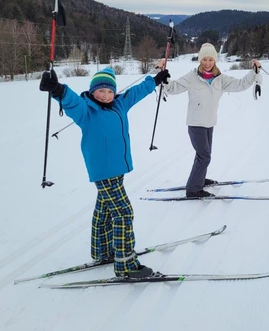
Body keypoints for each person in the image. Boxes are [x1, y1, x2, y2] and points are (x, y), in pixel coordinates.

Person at [39, 66, 170, 278]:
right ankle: (126, 265)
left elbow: (136, 92)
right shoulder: (87, 111)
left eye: (110, 91)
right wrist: (58, 90)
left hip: (116, 169)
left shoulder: (119, 104)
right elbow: (72, 101)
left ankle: (102, 251)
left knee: (104, 211)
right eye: (101, 91)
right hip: (104, 171)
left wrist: (154, 80)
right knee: (123, 212)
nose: (106, 95)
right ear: (92, 92)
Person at [158, 43, 262, 198]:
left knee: (204, 154)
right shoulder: (192, 77)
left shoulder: (221, 79)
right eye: (204, 59)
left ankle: (198, 179)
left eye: (210, 59)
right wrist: (162, 75)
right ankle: (193, 189)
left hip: (209, 123)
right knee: (204, 156)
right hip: (195, 124)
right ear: (200, 60)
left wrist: (253, 73)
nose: (207, 63)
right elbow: (173, 88)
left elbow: (241, 84)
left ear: (215, 60)